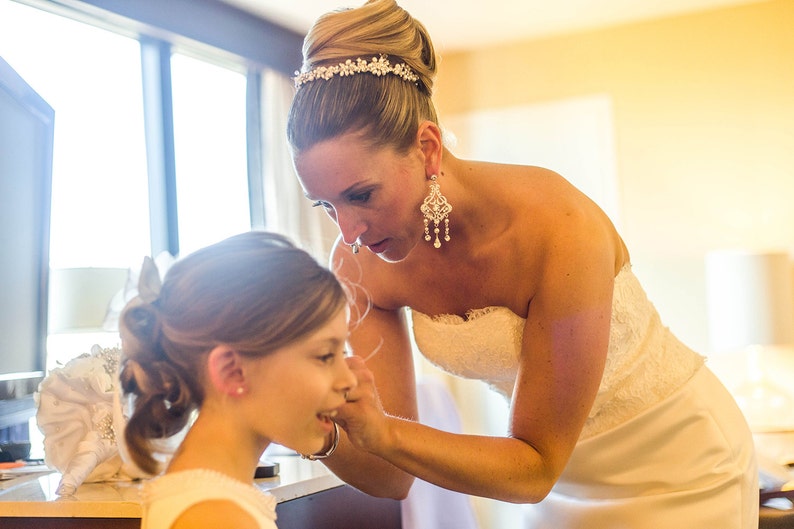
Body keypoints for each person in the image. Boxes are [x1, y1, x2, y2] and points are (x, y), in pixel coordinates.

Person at [285, 1, 759, 527]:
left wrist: (387, 431)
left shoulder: (556, 225)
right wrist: (315, 431)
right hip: (548, 483)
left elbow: (534, 467)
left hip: (679, 466)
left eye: (362, 194)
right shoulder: (359, 266)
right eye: (325, 207)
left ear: (427, 148)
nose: (348, 232)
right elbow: (391, 475)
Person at [117, 231, 357, 529]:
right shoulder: (216, 519)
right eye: (325, 356)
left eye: (342, 352)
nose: (349, 381)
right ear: (232, 371)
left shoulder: (213, 499)